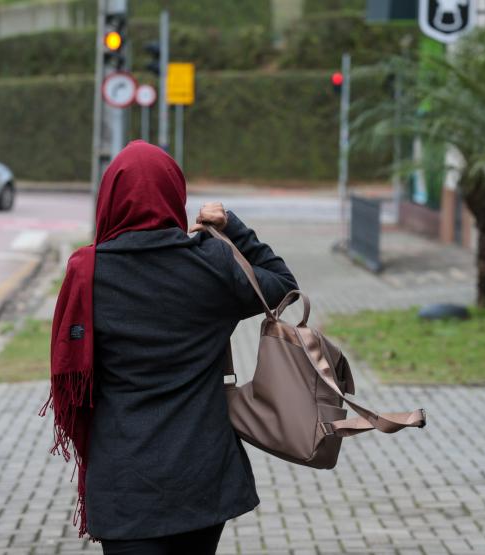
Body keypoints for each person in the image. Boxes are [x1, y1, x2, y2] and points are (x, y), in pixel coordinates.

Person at [44, 141, 298, 554]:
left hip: (124, 480)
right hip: (202, 479)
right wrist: (232, 227)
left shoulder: (87, 271)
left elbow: (71, 376)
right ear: (175, 195)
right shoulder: (212, 262)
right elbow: (283, 286)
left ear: (108, 198)